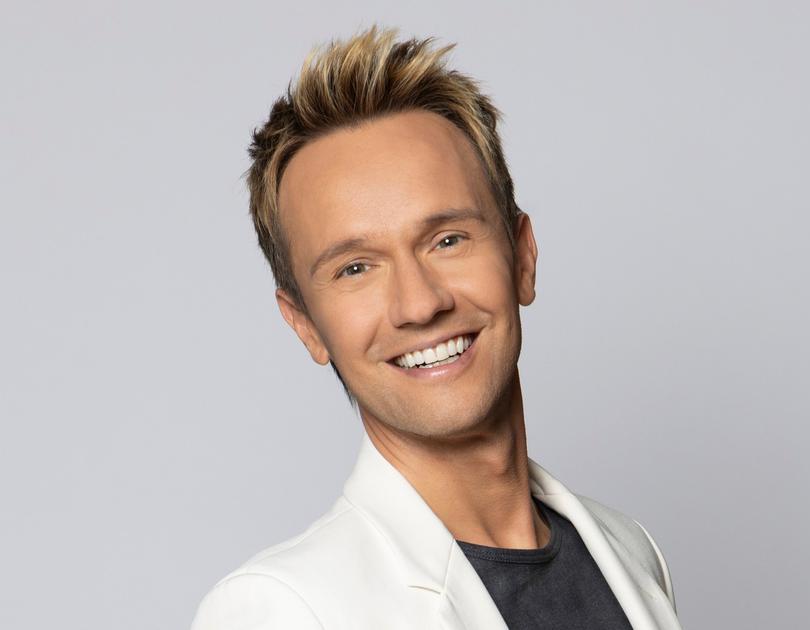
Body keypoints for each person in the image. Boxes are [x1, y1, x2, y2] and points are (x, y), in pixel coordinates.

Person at [191, 27, 682, 630]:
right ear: (305, 325)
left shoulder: (630, 552)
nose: (420, 304)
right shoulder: (284, 610)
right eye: (355, 268)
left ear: (522, 257)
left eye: (447, 239)